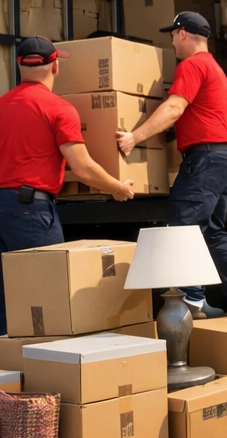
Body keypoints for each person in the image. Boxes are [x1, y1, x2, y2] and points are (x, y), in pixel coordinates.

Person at [117, 11, 227, 317]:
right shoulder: (212, 67)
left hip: (207, 159)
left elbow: (174, 107)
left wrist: (135, 136)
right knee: (212, 231)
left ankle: (191, 300)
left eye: (172, 35)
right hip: (222, 158)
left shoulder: (192, 65)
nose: (171, 41)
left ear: (182, 33)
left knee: (183, 227)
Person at [0, 37, 134, 335]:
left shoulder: (2, 106)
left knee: (5, 297)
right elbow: (82, 166)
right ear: (55, 66)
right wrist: (117, 187)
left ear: (19, 65)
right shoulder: (59, 109)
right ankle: (41, 370)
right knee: (46, 294)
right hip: (30, 212)